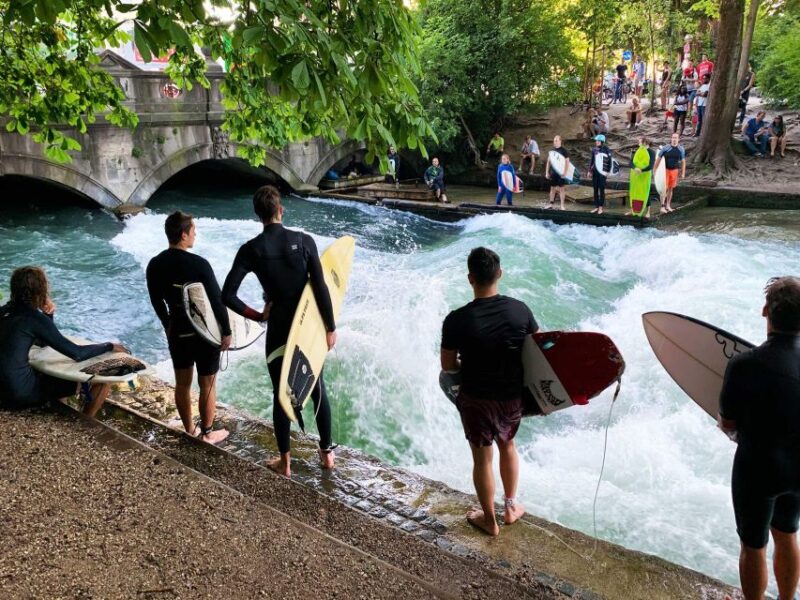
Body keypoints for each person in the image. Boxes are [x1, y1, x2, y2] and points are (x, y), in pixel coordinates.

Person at [222, 185, 337, 478]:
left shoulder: (251, 250)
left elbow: (227, 295)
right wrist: (330, 327)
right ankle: (327, 455)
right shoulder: (304, 241)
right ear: (281, 210)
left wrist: (259, 315)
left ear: (258, 215)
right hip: (306, 329)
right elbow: (321, 287)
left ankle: (285, 463)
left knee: (281, 395)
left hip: (278, 331)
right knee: (317, 388)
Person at [440, 247, 539, 536]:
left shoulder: (456, 319)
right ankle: (510, 507)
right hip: (510, 396)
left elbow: (448, 366)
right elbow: (537, 354)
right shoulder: (520, 310)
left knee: (482, 459)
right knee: (508, 445)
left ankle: (489, 520)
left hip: (475, 398)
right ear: (500, 274)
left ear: (470, 278)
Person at [719, 276, 800, 600]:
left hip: (758, 468)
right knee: (788, 533)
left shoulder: (744, 364)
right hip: (799, 468)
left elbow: (728, 423)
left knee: (753, 545)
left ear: (765, 310)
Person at [146, 211, 231, 444]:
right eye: (193, 231)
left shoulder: (155, 264)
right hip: (204, 332)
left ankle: (190, 429)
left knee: (182, 384)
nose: (195, 235)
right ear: (183, 235)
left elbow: (156, 301)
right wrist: (226, 331)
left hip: (177, 331)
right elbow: (217, 301)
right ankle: (208, 433)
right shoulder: (199, 264)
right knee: (207, 383)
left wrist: (167, 324)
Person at [0, 266, 127, 415]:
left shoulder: (4, 311)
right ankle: (86, 421)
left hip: (2, 391)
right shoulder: (34, 318)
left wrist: (48, 314)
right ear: (41, 290)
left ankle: (62, 413)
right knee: (103, 380)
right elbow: (77, 353)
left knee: (51, 379)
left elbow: (42, 343)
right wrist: (109, 346)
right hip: (18, 393)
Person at [624, 136, 657, 218]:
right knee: (634, 192)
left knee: (646, 192)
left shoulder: (652, 152)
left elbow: (651, 165)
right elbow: (630, 163)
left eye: (640, 142)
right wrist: (635, 168)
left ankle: (648, 212)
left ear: (645, 143)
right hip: (636, 175)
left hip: (645, 175)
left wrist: (641, 170)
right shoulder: (637, 151)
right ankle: (632, 210)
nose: (638, 143)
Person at [653, 132, 686, 213]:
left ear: (678, 139)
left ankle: (668, 205)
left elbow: (683, 162)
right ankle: (662, 206)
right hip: (665, 171)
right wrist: (655, 170)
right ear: (671, 139)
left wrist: (683, 173)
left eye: (676, 138)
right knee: (664, 188)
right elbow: (658, 159)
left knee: (671, 189)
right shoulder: (665, 148)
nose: (674, 139)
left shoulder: (681, 149)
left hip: (674, 171)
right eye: (673, 138)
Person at [588, 134, 612, 215]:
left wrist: (607, 171)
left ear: (602, 141)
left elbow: (609, 160)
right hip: (595, 172)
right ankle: (596, 207)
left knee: (601, 189)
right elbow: (592, 161)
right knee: (595, 189)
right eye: (596, 141)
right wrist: (589, 171)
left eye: (598, 141)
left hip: (602, 172)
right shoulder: (594, 149)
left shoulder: (606, 149)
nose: (596, 142)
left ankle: (601, 207)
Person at [545, 135, 570, 211]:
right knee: (552, 188)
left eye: (556, 140)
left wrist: (565, 173)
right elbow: (548, 162)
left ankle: (562, 206)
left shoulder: (564, 151)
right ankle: (551, 204)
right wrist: (547, 172)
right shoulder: (552, 151)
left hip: (561, 173)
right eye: (554, 141)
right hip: (553, 173)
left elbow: (567, 162)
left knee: (562, 189)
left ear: (560, 141)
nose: (554, 142)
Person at [694, 73, 711, 137]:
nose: (704, 79)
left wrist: (700, 93)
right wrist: (701, 93)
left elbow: (705, 94)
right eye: (703, 78)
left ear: (708, 78)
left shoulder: (709, 85)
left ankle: (704, 133)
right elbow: (696, 93)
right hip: (699, 104)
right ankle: (697, 133)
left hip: (705, 105)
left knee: (704, 119)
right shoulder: (702, 85)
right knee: (699, 119)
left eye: (705, 78)